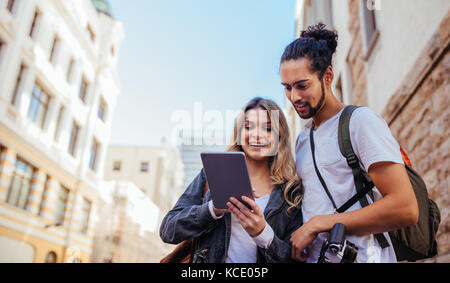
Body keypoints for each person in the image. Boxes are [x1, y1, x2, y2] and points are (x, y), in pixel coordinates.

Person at [280, 23, 419, 263]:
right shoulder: (303, 139)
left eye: (302, 86)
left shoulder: (360, 122)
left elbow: (405, 207)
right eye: (287, 88)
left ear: (328, 76)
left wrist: (319, 224)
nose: (294, 97)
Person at [160, 97, 303, 263]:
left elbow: (296, 259)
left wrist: (263, 234)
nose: (257, 135)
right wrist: (212, 209)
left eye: (268, 128)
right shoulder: (211, 174)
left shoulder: (291, 193)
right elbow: (168, 230)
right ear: (239, 133)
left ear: (280, 136)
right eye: (249, 127)